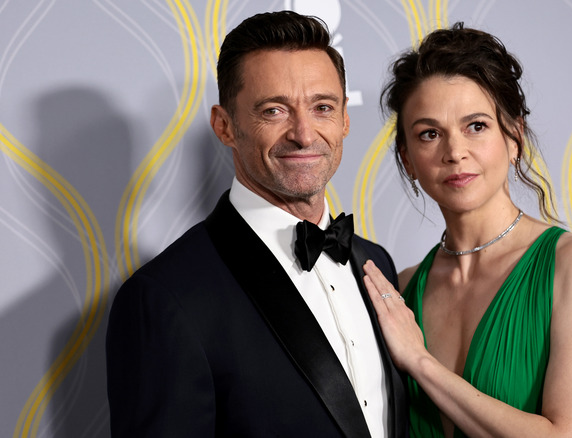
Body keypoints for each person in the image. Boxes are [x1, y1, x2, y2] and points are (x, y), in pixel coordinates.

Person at [105, 11, 408, 437]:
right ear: (224, 126)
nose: (303, 133)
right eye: (274, 111)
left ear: (344, 120)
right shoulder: (164, 298)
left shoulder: (376, 264)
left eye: (322, 107)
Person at [361, 23, 572, 437]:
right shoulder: (401, 290)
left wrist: (420, 362)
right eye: (429, 134)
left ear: (513, 137)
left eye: (476, 126)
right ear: (407, 159)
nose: (454, 152)